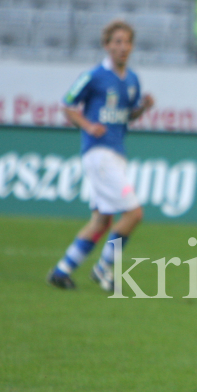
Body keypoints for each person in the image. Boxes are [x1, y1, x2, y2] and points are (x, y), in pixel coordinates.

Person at [47, 20, 154, 292]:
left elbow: (127, 116)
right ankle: (104, 268)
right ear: (107, 45)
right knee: (134, 213)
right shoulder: (94, 76)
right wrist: (88, 126)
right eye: (117, 42)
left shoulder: (132, 80)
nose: (122, 47)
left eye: (127, 42)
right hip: (99, 153)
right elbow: (67, 105)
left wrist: (142, 108)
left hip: (116, 152)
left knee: (102, 221)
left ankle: (62, 270)